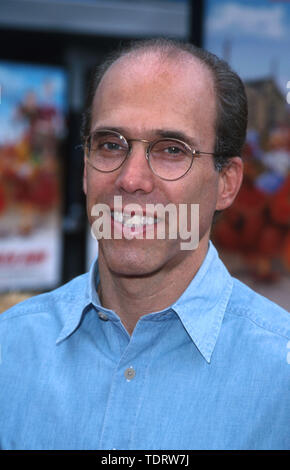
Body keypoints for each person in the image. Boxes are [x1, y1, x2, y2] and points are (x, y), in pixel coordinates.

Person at [0, 38, 289, 451]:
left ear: (226, 183)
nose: (131, 178)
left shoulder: (280, 377)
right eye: (111, 145)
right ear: (85, 170)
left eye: (172, 150)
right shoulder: (9, 351)